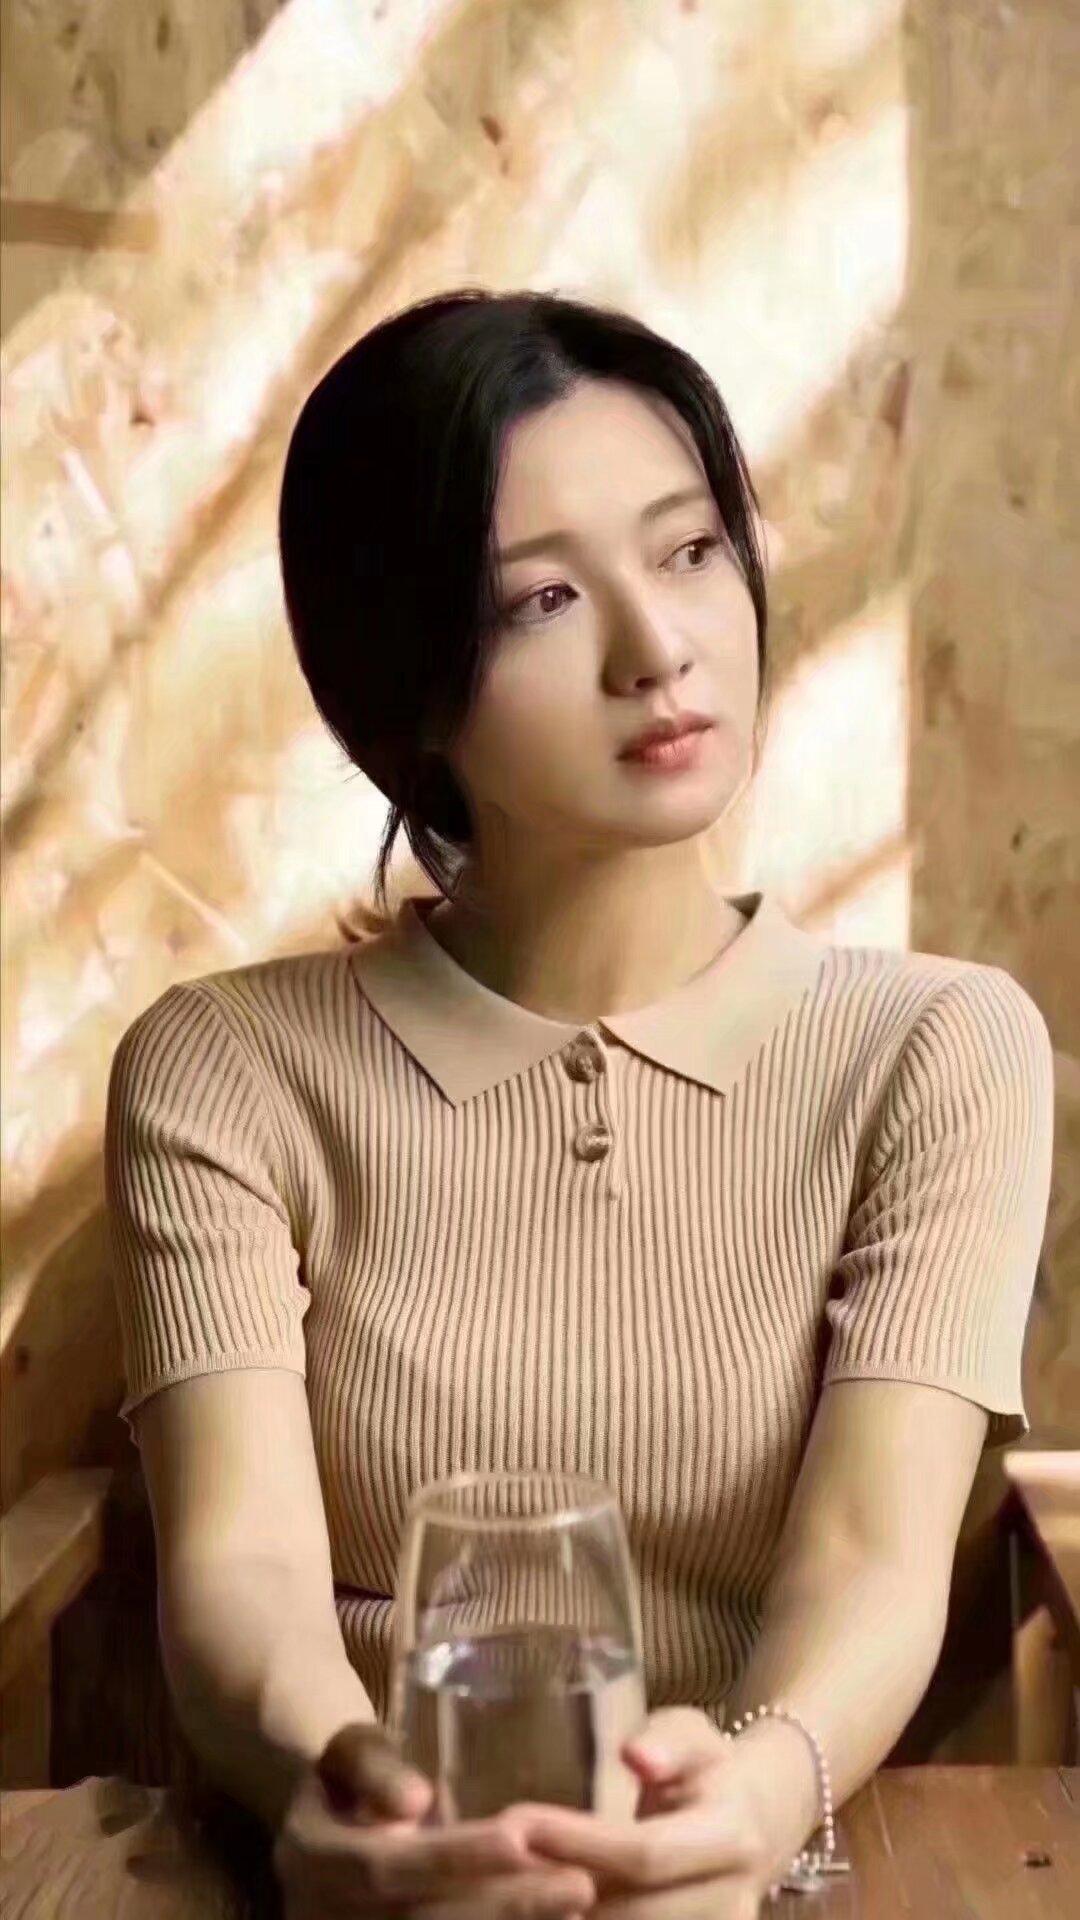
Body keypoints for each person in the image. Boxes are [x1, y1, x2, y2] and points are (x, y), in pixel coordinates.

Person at [104, 288, 1054, 1918]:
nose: (657, 648)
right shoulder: (225, 1068)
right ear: (407, 685)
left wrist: (756, 1799)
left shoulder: (940, 1048)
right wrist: (346, 1784)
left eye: (688, 551)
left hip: (774, 1870)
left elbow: (870, 1558)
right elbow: (240, 1567)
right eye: (543, 598)